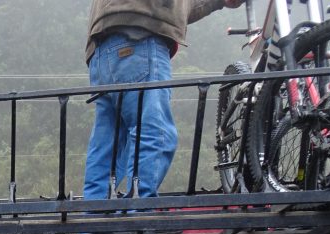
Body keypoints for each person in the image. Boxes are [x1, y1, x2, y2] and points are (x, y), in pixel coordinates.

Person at [83, 0, 244, 200]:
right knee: (155, 134)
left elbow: (177, 7)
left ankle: (94, 221)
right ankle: (138, 213)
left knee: (108, 145)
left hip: (101, 52)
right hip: (138, 40)